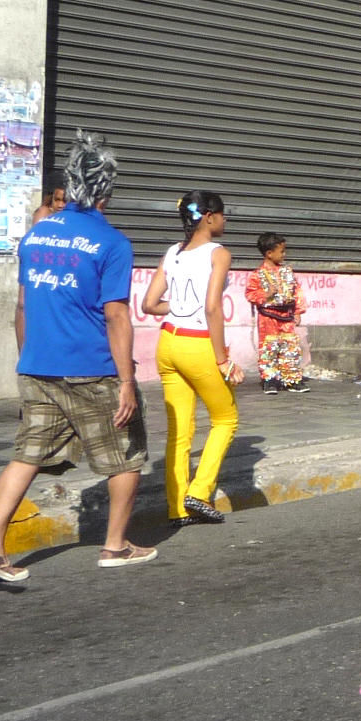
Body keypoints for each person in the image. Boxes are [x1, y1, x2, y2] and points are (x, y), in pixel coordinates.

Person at [0, 132, 155, 580]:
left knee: (27, 455)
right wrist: (127, 380)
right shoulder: (112, 242)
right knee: (126, 456)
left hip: (37, 365)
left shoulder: (36, 236)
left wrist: (27, 359)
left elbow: (21, 305)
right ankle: (114, 545)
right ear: (105, 192)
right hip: (92, 369)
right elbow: (116, 316)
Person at [143, 190, 240, 526]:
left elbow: (149, 304)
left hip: (168, 343)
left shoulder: (172, 252)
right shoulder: (218, 253)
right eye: (224, 214)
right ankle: (199, 493)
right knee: (225, 419)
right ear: (210, 216)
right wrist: (223, 359)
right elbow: (213, 308)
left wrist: (182, 308)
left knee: (179, 430)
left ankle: (177, 508)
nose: (226, 220)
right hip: (198, 345)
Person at [247, 231, 309, 395]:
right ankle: (270, 379)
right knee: (269, 348)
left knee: (290, 347)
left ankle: (292, 379)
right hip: (268, 318)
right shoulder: (257, 275)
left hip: (286, 317)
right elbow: (250, 294)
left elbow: (297, 292)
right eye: (281, 251)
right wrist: (265, 295)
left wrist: (298, 311)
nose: (284, 254)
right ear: (269, 253)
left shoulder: (288, 272)